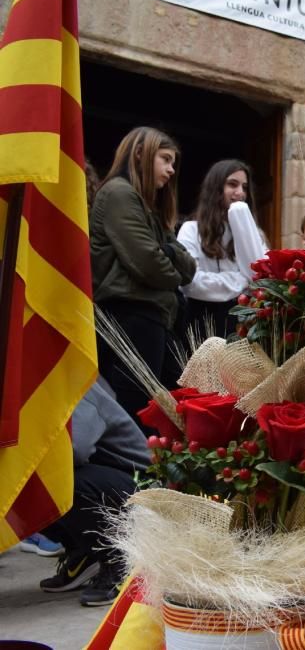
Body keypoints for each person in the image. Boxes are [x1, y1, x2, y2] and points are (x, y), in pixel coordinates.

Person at [90, 127, 196, 429]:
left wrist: (169, 256)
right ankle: (132, 475)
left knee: (167, 408)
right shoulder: (119, 193)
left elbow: (189, 266)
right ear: (140, 153)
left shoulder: (148, 206)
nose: (171, 170)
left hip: (153, 317)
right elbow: (151, 265)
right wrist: (168, 259)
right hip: (131, 314)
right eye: (165, 159)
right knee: (137, 410)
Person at [39, 382, 151, 606]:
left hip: (141, 489)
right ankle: (82, 551)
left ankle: (119, 558)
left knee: (56, 480)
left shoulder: (74, 384)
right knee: (18, 484)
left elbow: (75, 451)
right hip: (104, 481)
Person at [177, 159, 267, 338]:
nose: (240, 193)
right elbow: (191, 283)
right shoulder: (191, 230)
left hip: (241, 323)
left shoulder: (255, 234)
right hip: (201, 320)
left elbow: (261, 277)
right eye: (232, 184)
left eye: (245, 187)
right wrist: (241, 281)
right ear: (216, 188)